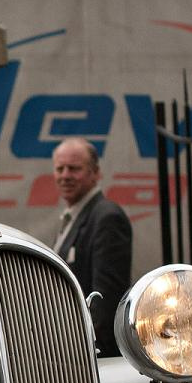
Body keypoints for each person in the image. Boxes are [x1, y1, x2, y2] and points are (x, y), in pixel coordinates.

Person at [51, 137, 131, 358]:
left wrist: (86, 353)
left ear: (95, 173)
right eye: (60, 168)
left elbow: (105, 301)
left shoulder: (108, 218)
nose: (65, 175)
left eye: (74, 168)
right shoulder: (74, 217)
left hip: (91, 356)